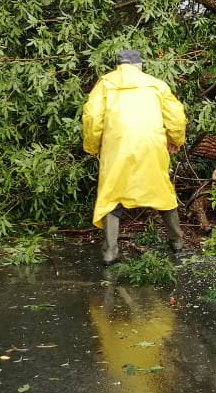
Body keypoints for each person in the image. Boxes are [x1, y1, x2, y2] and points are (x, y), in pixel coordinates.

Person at [82, 47, 191, 264]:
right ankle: (178, 245)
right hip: (151, 145)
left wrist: (93, 146)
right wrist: (176, 140)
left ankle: (110, 253)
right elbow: (176, 116)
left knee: (111, 196)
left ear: (118, 66)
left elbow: (93, 117)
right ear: (139, 66)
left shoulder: (105, 84)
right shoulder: (156, 84)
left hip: (117, 147)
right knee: (162, 191)